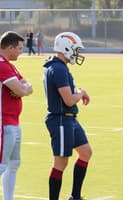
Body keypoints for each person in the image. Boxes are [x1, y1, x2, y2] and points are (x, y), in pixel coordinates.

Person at [43, 32, 92, 200]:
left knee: (85, 152)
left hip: (69, 118)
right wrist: (81, 92)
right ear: (67, 47)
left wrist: (78, 93)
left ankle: (75, 196)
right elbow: (69, 100)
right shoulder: (58, 68)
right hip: (62, 119)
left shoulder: (59, 66)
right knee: (61, 162)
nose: (77, 53)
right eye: (76, 49)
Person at [0, 31, 33, 200]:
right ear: (10, 47)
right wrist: (22, 89)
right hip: (3, 122)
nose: (21, 51)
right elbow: (21, 89)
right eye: (19, 48)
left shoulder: (9, 64)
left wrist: (22, 89)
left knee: (13, 165)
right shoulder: (2, 65)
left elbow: (28, 86)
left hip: (13, 121)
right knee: (2, 165)